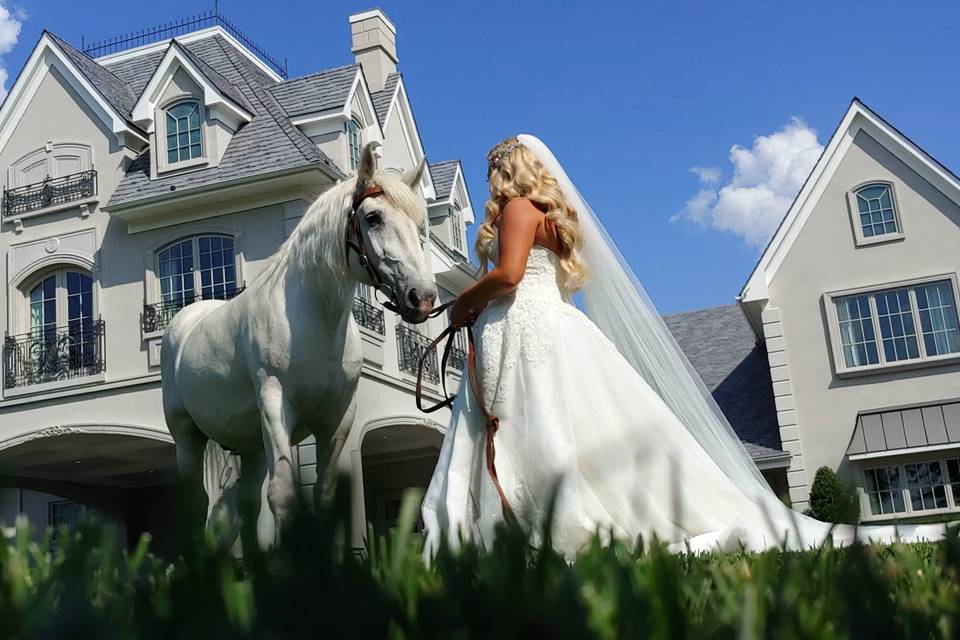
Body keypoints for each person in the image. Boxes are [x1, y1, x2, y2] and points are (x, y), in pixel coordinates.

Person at [421, 135, 946, 558]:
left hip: (521, 328)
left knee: (529, 426)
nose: (492, 183)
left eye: (495, 171)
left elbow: (510, 275)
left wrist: (463, 303)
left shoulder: (516, 209)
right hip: (552, 326)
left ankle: (536, 531)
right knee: (567, 428)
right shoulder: (552, 220)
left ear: (508, 170)